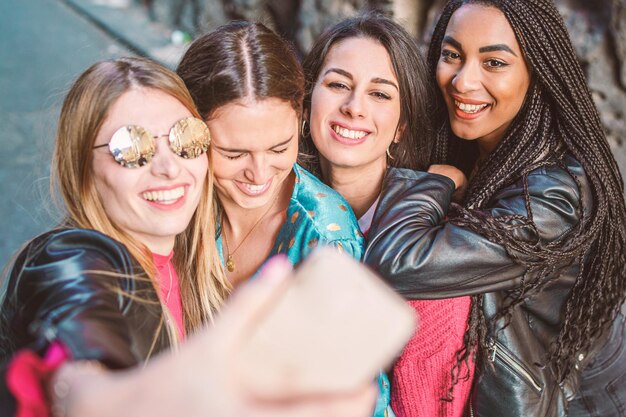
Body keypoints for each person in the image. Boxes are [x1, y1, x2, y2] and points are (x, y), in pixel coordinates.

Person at [0, 56, 377, 417]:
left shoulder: (194, 252)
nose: (169, 167)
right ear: (82, 165)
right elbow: (77, 332)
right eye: (131, 148)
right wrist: (96, 401)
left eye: (187, 140)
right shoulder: (70, 257)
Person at [363, 1, 626, 416]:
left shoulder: (553, 198)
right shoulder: (480, 145)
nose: (463, 81)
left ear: (535, 73)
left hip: (579, 398)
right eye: (452, 56)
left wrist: (438, 181)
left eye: (494, 63)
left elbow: (397, 262)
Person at [176, 21, 394, 417]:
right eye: (233, 153)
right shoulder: (178, 198)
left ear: (300, 116)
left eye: (280, 147)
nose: (259, 174)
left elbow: (358, 400)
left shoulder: (326, 237)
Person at [300, 13, 474, 417]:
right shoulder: (274, 202)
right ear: (309, 99)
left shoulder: (433, 247)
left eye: (380, 94)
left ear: (401, 128)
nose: (354, 107)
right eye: (338, 84)